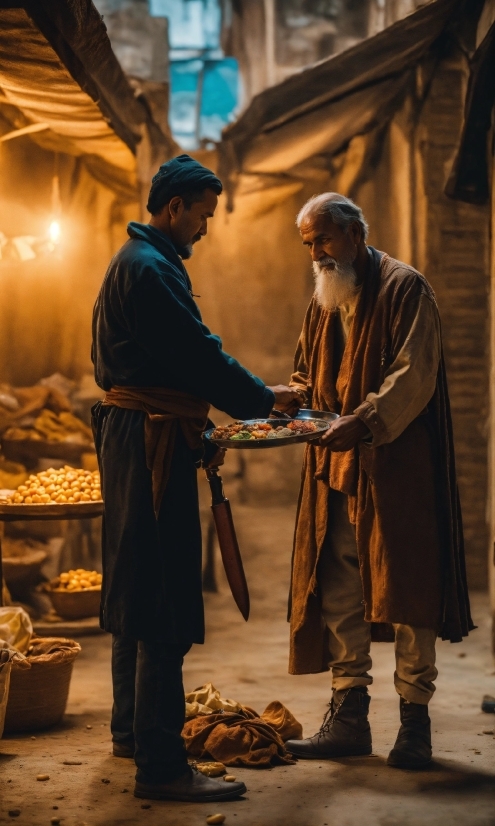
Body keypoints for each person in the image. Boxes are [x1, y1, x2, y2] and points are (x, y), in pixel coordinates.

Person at [91, 154, 300, 802]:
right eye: (204, 215)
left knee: (134, 585)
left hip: (137, 434)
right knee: (161, 599)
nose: (206, 228)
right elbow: (196, 354)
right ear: (174, 207)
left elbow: (181, 356)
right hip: (151, 440)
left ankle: (131, 732)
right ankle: (160, 767)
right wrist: (263, 400)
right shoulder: (151, 269)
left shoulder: (137, 263)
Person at [283, 193, 474, 770]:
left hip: (397, 463)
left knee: (406, 584)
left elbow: (414, 374)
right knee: (339, 580)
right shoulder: (324, 292)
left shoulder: (406, 288)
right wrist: (286, 402)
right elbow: (306, 367)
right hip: (336, 465)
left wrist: (364, 420)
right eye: (309, 244)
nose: (316, 253)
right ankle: (349, 715)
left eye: (324, 240)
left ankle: (414, 722)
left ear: (354, 233)